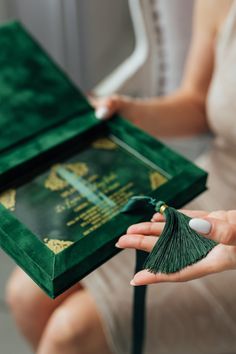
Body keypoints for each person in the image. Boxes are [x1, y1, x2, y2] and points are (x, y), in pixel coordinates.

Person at [5, 1, 236, 353]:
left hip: (228, 237)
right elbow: (195, 103)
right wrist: (125, 111)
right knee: (25, 294)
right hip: (213, 185)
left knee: (70, 333)